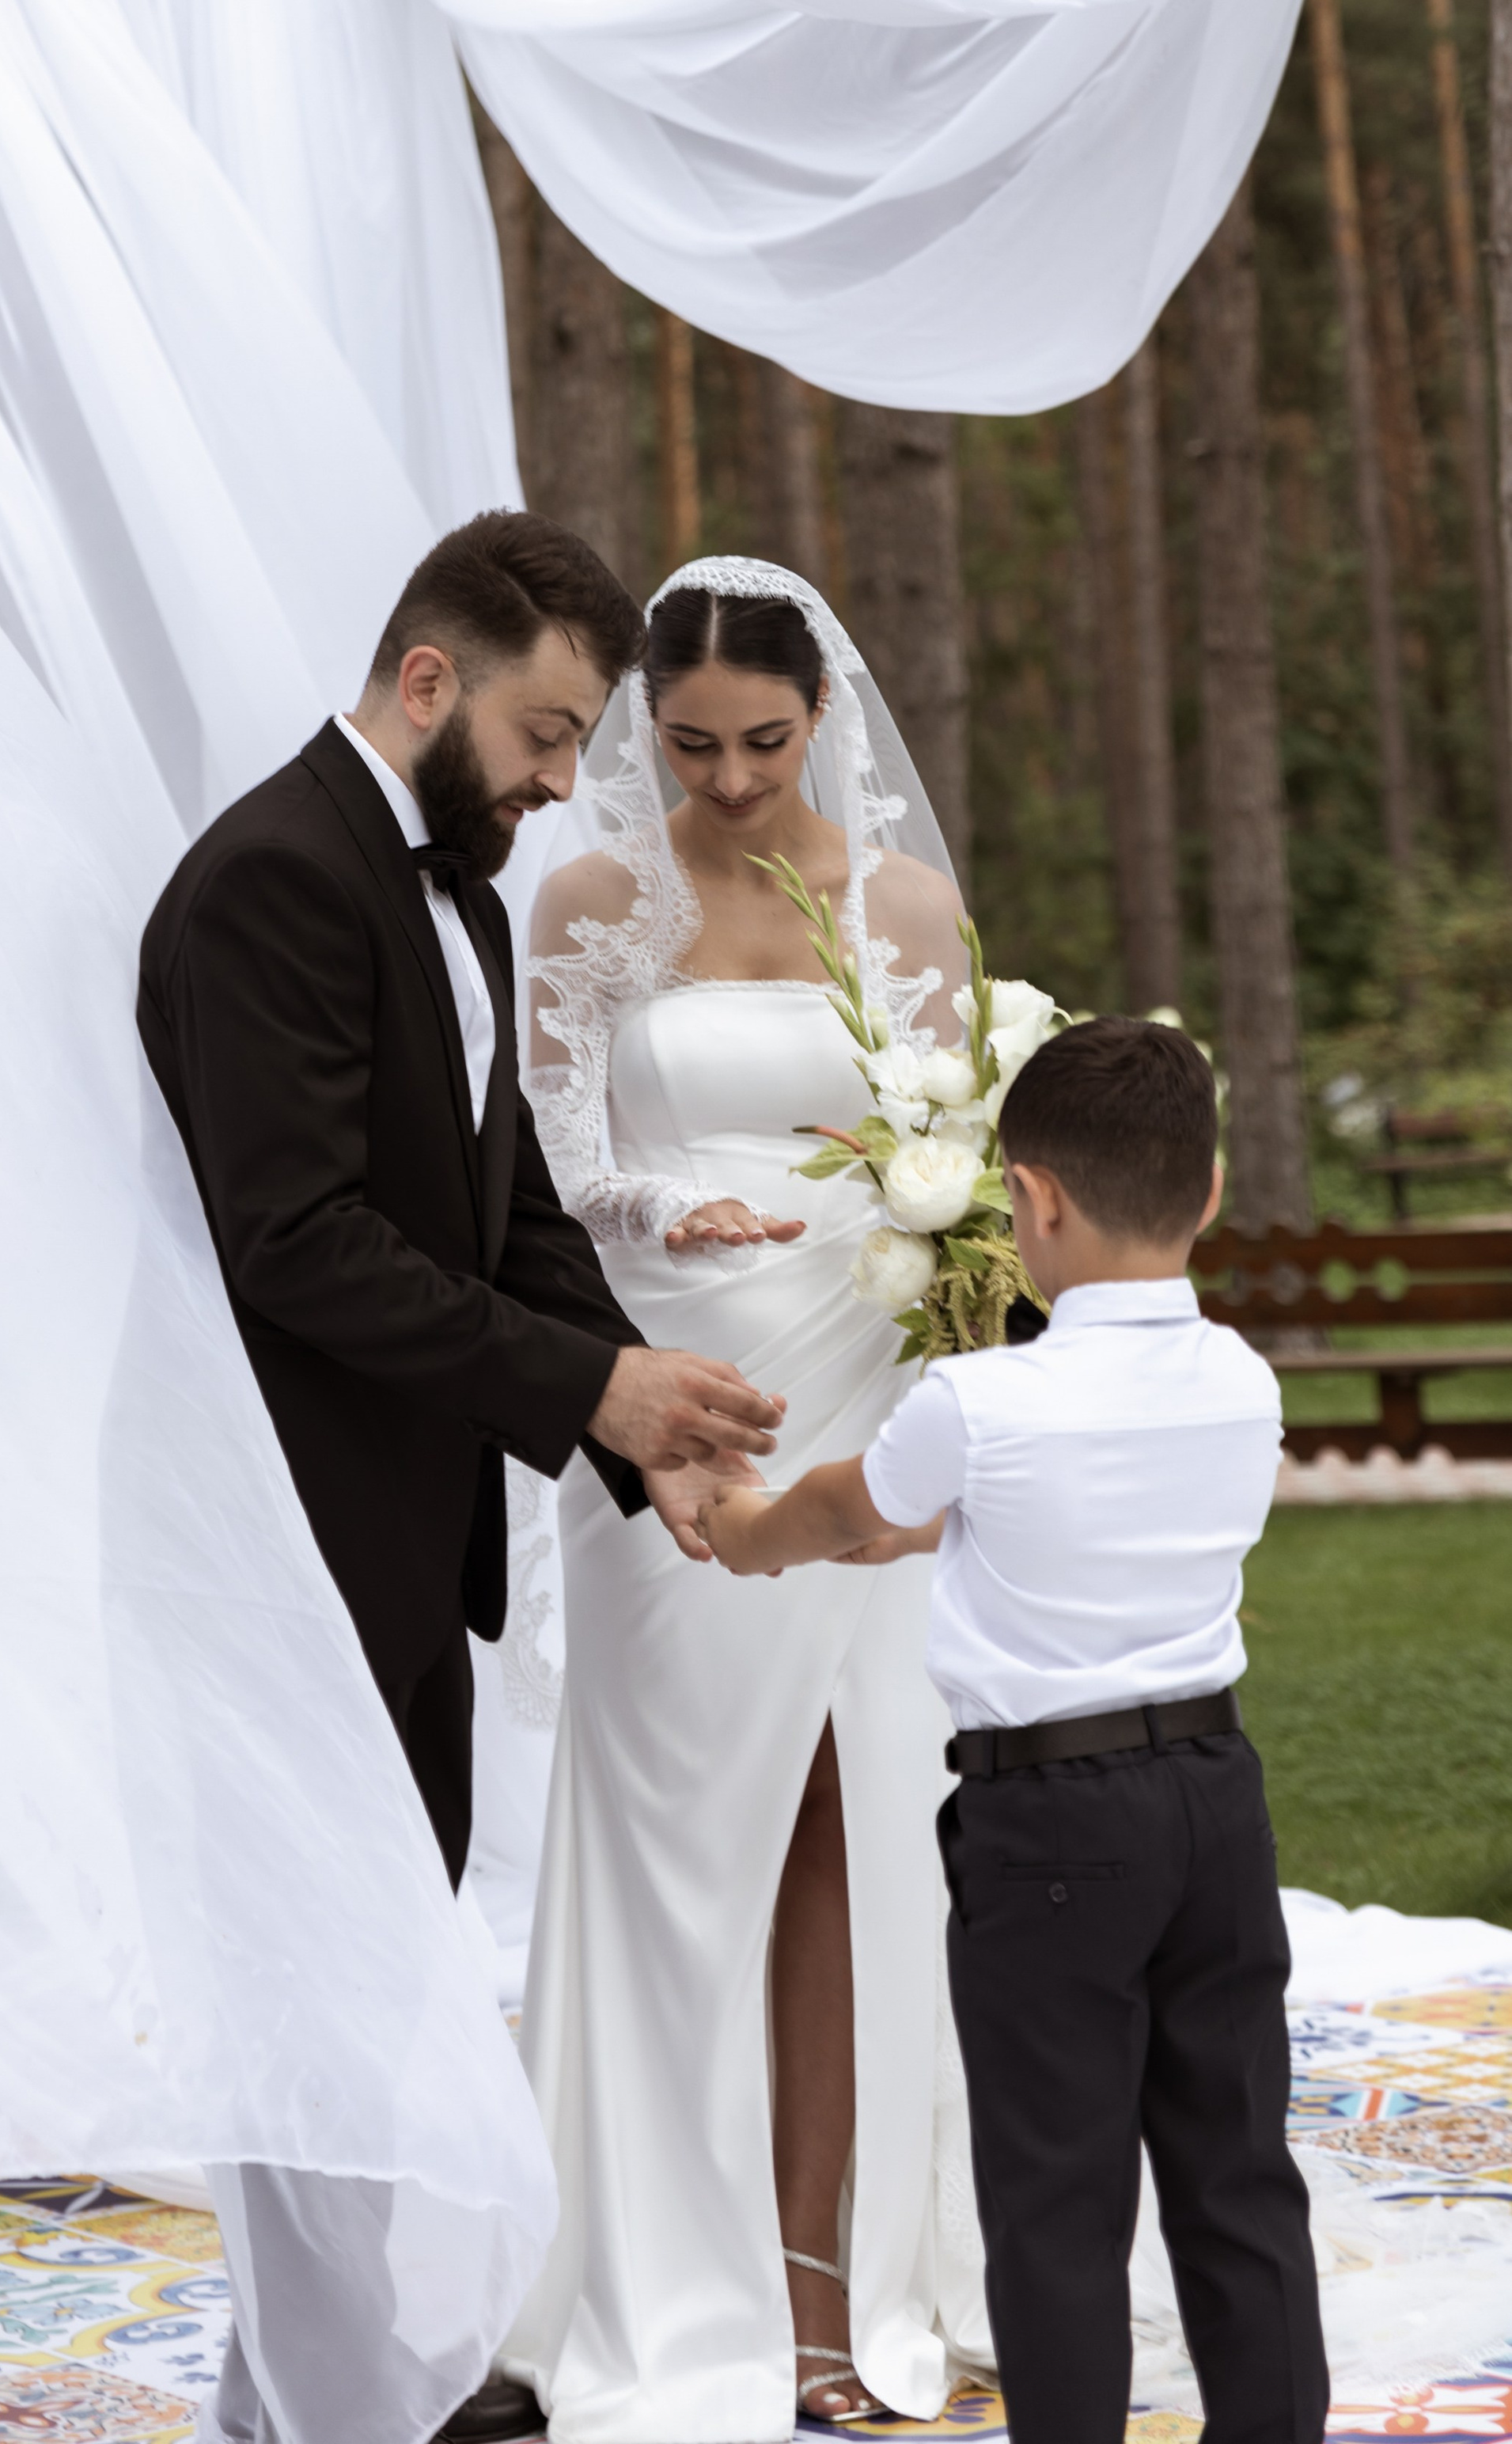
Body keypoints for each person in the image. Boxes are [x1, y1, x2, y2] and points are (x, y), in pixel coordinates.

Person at [138, 512, 783, 2444]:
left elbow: (497, 1207)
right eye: (544, 726)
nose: (558, 778)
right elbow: (297, 1240)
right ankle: (353, 2402)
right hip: (286, 1548)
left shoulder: (465, 894)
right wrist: (588, 1386)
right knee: (308, 2000)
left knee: (364, 1979)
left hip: (405, 1547)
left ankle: (306, 2394)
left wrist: (636, 1415)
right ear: (429, 680)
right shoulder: (265, 880)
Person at [502, 556, 990, 2438]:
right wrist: (657, 1207)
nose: (723, 780)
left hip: (854, 1372)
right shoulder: (591, 905)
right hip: (666, 1397)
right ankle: (656, 2269)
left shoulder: (908, 909)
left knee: (857, 1811)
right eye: (688, 744)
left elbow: (947, 1153)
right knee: (675, 1819)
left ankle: (835, 2278)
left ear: (821, 720)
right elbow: (548, 1165)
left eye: (761, 743)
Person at [699, 1015, 1328, 2444]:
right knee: (1238, 2170)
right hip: (1216, 1800)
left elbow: (839, 1510)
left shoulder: (980, 1400)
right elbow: (1081, 1530)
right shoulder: (1245, 1379)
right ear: (1212, 1191)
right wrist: (933, 1539)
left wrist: (743, 1532)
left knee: (1058, 2191)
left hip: (1053, 1825)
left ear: (1031, 1200)